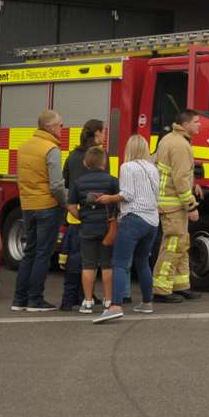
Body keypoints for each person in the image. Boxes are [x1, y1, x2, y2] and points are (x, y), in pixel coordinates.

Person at [97, 135, 160, 323]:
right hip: (152, 222)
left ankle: (115, 305)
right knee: (142, 262)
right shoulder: (153, 168)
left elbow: (128, 195)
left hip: (133, 219)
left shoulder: (127, 167)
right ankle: (147, 303)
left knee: (119, 262)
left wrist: (109, 198)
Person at [11, 110, 67, 313]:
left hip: (28, 207)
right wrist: (65, 203)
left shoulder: (24, 146)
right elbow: (56, 185)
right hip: (47, 207)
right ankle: (35, 300)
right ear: (50, 127)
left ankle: (19, 299)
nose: (63, 128)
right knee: (43, 255)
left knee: (30, 253)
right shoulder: (51, 149)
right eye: (60, 125)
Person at [152, 111, 203, 303]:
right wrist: (191, 206)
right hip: (173, 204)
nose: (199, 125)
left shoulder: (170, 139)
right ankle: (161, 289)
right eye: (196, 122)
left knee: (181, 243)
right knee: (173, 246)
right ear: (186, 124)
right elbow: (180, 178)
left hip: (170, 202)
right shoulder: (181, 145)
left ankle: (181, 286)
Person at [58, 119, 106, 312]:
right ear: (96, 134)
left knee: (78, 260)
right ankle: (72, 299)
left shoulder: (71, 157)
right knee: (87, 261)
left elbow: (66, 184)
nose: (104, 136)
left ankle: (80, 296)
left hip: (74, 217)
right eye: (103, 132)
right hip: (92, 217)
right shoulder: (101, 156)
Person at [69, 145, 120, 314]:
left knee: (88, 265)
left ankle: (88, 301)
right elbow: (118, 201)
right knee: (107, 265)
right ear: (104, 162)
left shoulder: (78, 183)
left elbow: (71, 206)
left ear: (85, 163)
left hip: (87, 228)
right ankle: (107, 300)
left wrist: (82, 217)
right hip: (107, 228)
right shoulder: (112, 181)